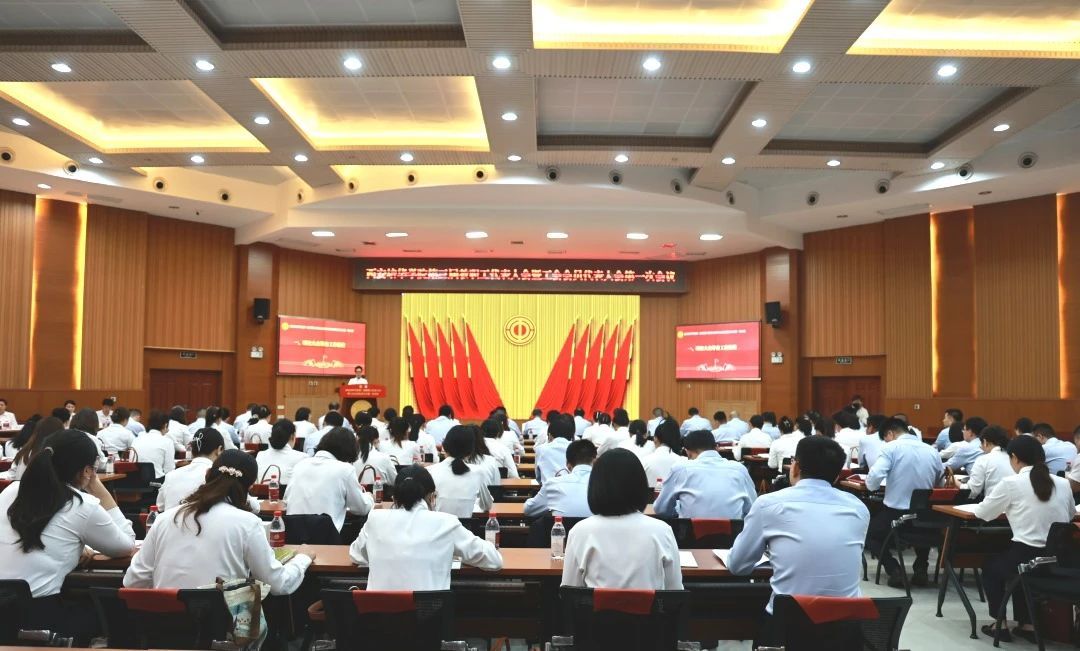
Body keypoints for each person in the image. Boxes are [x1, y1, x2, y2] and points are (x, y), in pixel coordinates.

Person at [0, 429, 135, 641]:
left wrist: (75, 548)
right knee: (114, 610)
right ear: (86, 470)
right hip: (36, 619)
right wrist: (97, 487)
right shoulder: (82, 504)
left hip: (7, 613)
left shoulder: (11, 490)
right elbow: (126, 546)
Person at [125, 450, 314, 596]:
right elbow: (278, 584)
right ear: (249, 487)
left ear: (207, 474)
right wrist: (303, 559)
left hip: (161, 628)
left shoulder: (165, 518)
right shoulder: (248, 524)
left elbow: (133, 581)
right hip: (221, 629)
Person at [728, 437, 869, 616]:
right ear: (836, 476)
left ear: (795, 467)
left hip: (788, 622)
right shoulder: (858, 508)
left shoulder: (768, 505)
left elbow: (738, 565)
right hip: (846, 624)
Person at [972, 435, 1075, 642]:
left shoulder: (1011, 483)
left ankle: (1000, 624)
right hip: (1059, 560)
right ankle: (1028, 625)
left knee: (992, 567)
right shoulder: (1063, 483)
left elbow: (983, 513)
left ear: (1015, 457)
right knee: (1016, 568)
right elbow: (1071, 515)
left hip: (1026, 557)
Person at [349, 465, 501, 589]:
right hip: (428, 615)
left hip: (378, 615)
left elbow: (355, 555)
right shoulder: (446, 523)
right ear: (431, 496)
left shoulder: (375, 518)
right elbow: (494, 561)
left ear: (395, 497)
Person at [561, 448, 682, 589]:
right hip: (649, 604)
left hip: (596, 604)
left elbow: (570, 591)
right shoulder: (662, 531)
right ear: (640, 486)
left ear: (595, 485)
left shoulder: (580, 532)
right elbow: (675, 591)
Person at [866, 417, 943, 588]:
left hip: (897, 515)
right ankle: (921, 568)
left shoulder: (891, 448)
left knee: (870, 535)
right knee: (922, 525)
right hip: (926, 516)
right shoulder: (931, 451)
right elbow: (940, 483)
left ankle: (894, 569)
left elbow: (874, 479)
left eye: (885, 439)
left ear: (890, 434)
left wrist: (873, 486)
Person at [285, 427, 374, 531]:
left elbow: (286, 499)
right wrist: (369, 497)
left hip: (292, 533)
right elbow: (361, 508)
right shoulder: (345, 470)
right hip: (325, 535)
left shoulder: (299, 465)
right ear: (349, 450)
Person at [654, 430, 755, 519]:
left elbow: (661, 509)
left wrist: (679, 509)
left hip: (689, 534)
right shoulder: (739, 469)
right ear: (716, 448)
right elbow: (752, 509)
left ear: (687, 452)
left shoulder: (680, 469)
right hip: (734, 534)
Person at [427, 426, 494, 517]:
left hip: (438, 525)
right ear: (470, 451)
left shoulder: (430, 471)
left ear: (445, 446)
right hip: (466, 526)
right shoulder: (478, 472)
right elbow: (487, 505)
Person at [156, 428, 226, 511]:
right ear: (219, 450)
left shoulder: (170, 476)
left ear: (192, 449)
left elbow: (160, 507)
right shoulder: (220, 476)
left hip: (171, 519)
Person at [524, 440, 596, 518]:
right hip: (597, 526)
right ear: (595, 461)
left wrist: (529, 499)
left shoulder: (553, 484)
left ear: (567, 464)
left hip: (561, 526)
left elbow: (528, 510)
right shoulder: (604, 485)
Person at [966, 425, 1014, 500]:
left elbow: (972, 492)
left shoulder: (983, 460)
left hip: (993, 504)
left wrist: (956, 483)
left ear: (985, 442)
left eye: (981, 443)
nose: (980, 447)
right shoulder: (1013, 459)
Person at [255, 418, 307, 485]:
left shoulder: (260, 455)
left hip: (261, 492)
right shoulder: (302, 458)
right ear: (292, 436)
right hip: (287, 492)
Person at [130, 410, 176, 479]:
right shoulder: (167, 442)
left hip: (134, 481)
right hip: (156, 482)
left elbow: (131, 462)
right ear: (165, 425)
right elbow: (169, 470)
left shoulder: (136, 439)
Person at [536, 413, 574, 483]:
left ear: (550, 435)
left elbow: (538, 478)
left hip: (549, 489)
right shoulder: (577, 448)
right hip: (573, 488)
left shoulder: (541, 449)